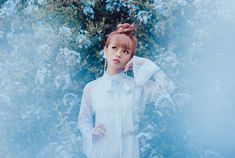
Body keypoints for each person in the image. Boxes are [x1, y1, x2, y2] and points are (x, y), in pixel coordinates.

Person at [77, 23, 175, 158]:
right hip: (102, 151)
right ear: (105, 51)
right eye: (114, 48)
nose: (118, 54)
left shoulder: (138, 86)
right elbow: (83, 119)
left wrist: (144, 63)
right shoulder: (92, 88)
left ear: (130, 58)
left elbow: (168, 88)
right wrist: (90, 133)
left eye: (125, 51)